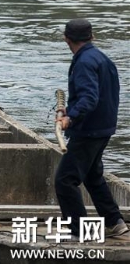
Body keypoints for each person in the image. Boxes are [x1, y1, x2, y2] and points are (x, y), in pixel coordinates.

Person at [55, 18, 128, 239]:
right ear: (92, 37)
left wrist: (71, 118)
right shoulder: (100, 58)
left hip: (89, 131)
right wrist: (70, 110)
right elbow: (99, 95)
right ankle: (114, 222)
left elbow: (89, 98)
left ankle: (80, 232)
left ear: (66, 39)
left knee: (65, 180)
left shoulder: (84, 62)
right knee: (93, 176)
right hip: (104, 128)